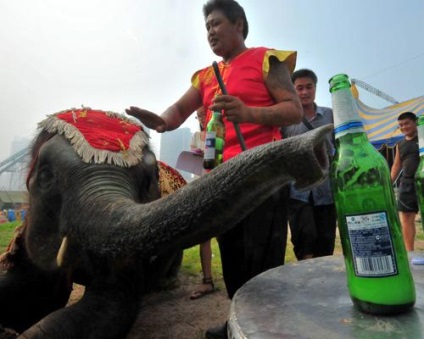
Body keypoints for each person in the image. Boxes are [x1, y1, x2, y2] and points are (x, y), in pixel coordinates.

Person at [126, 0, 302, 337]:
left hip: (263, 174)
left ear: (239, 24)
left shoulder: (268, 59)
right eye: (206, 26)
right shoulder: (207, 75)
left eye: (216, 23)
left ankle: (264, 329)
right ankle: (239, 323)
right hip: (222, 180)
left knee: (262, 259)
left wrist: (249, 113)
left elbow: (293, 110)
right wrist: (160, 121)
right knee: (233, 256)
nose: (210, 32)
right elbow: (178, 109)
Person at [281, 69, 336, 261]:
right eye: (300, 88)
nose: (304, 92)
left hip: (326, 190)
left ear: (315, 88)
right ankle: (307, 280)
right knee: (304, 239)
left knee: (326, 239)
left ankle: (322, 284)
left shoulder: (331, 116)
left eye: (309, 87)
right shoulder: (286, 121)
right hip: (298, 191)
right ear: (293, 90)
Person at [189, 107, 216, 300]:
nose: (201, 118)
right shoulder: (197, 137)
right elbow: (193, 163)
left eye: (203, 113)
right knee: (204, 235)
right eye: (198, 115)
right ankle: (207, 280)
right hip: (202, 186)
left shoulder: (222, 133)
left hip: (223, 184)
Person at [391, 112, 419, 251]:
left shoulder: (423, 138)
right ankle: (410, 252)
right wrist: (389, 182)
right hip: (407, 184)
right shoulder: (400, 144)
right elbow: (397, 166)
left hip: (422, 183)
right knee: (406, 219)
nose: (404, 127)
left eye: (406, 123)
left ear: (415, 122)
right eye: (401, 125)